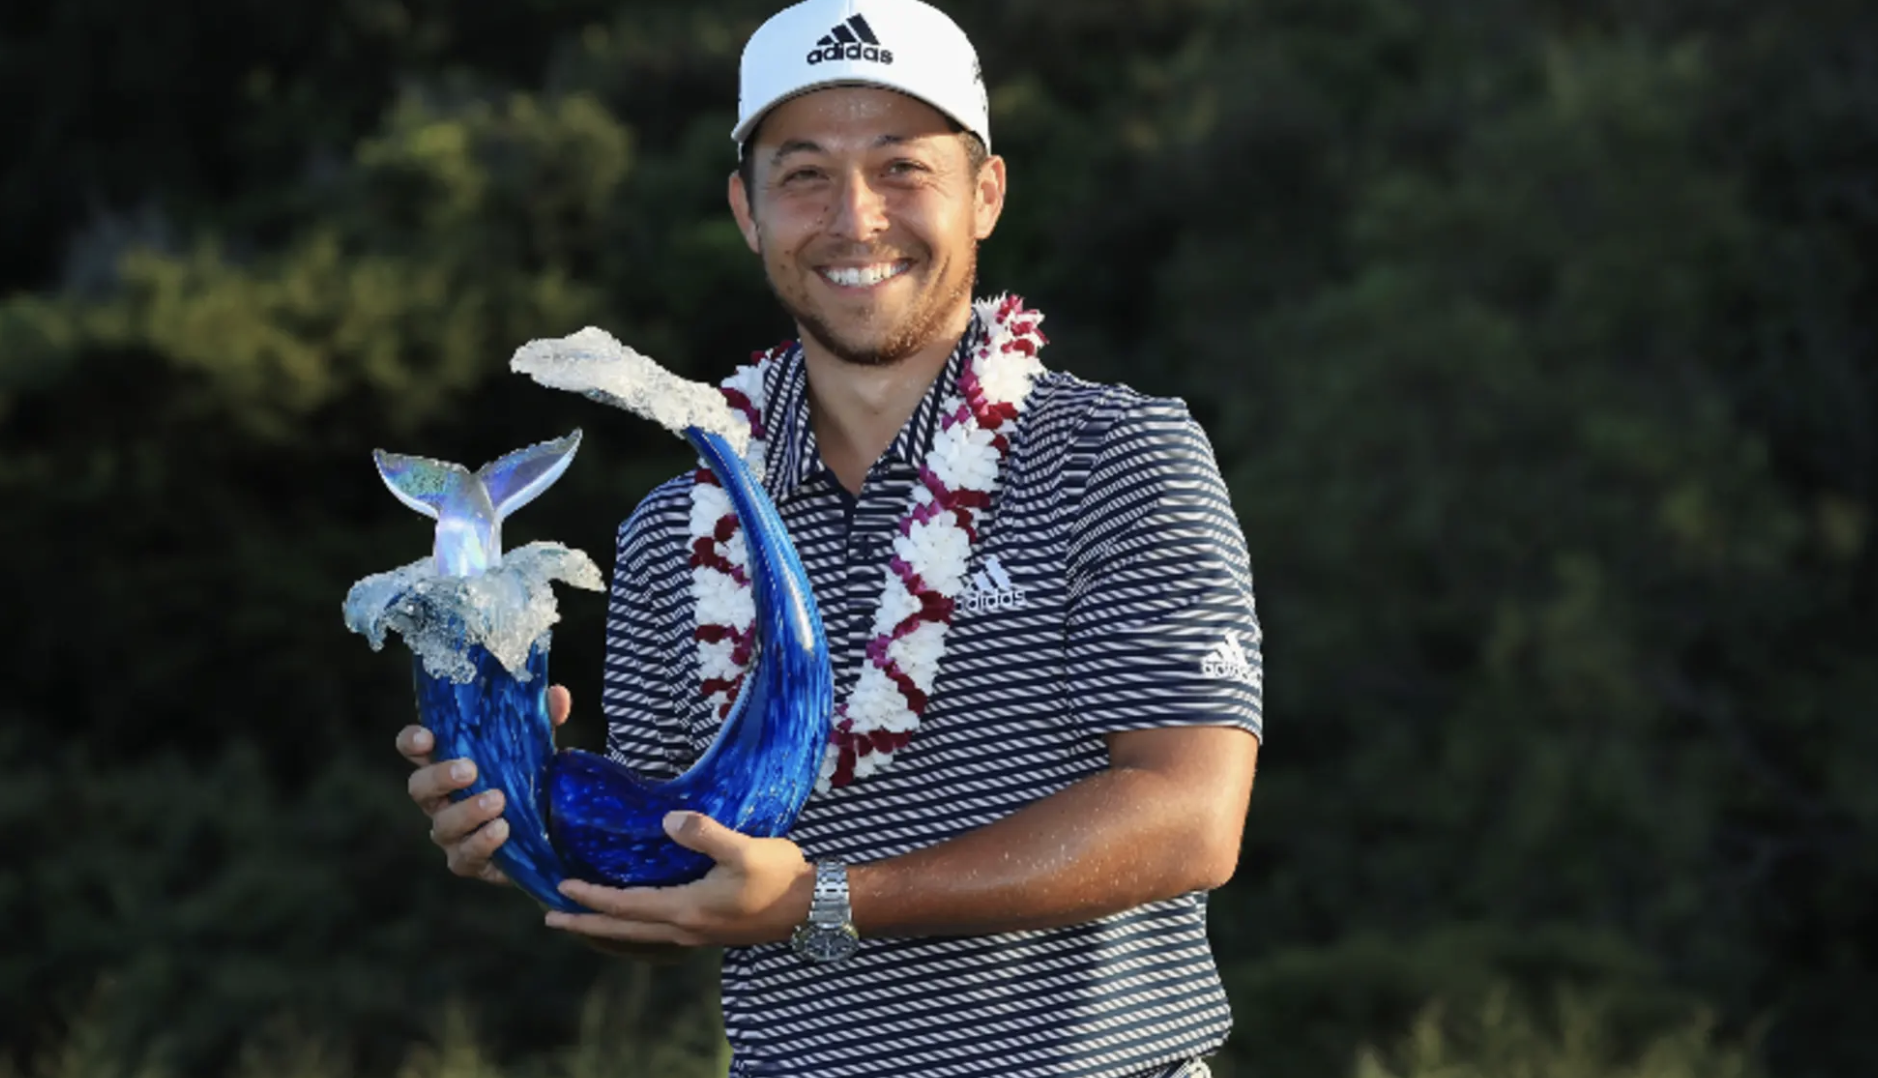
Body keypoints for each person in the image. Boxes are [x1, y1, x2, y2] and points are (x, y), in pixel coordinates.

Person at [398, 0, 1262, 1074]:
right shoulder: (676, 531)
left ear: (985, 193)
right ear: (746, 211)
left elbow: (1188, 817)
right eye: (804, 173)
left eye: (902, 166)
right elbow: (683, 896)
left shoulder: (1123, 456)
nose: (855, 218)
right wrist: (524, 823)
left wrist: (823, 901)